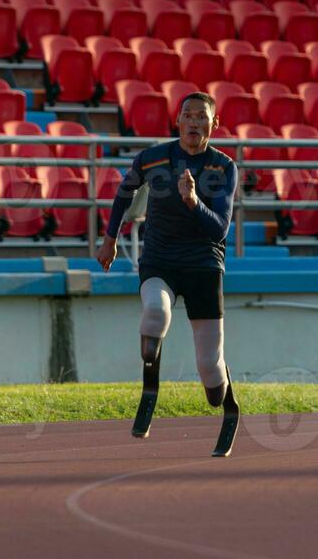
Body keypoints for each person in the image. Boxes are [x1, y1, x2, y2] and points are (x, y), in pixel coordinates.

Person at [97, 93, 238, 407]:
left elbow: (220, 229)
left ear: (214, 123)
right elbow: (124, 193)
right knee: (156, 312)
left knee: (209, 369)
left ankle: (224, 396)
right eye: (187, 115)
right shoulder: (153, 157)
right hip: (160, 260)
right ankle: (149, 379)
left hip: (204, 265)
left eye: (201, 116)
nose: (193, 122)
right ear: (177, 120)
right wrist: (110, 239)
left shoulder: (224, 167)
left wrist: (193, 202)